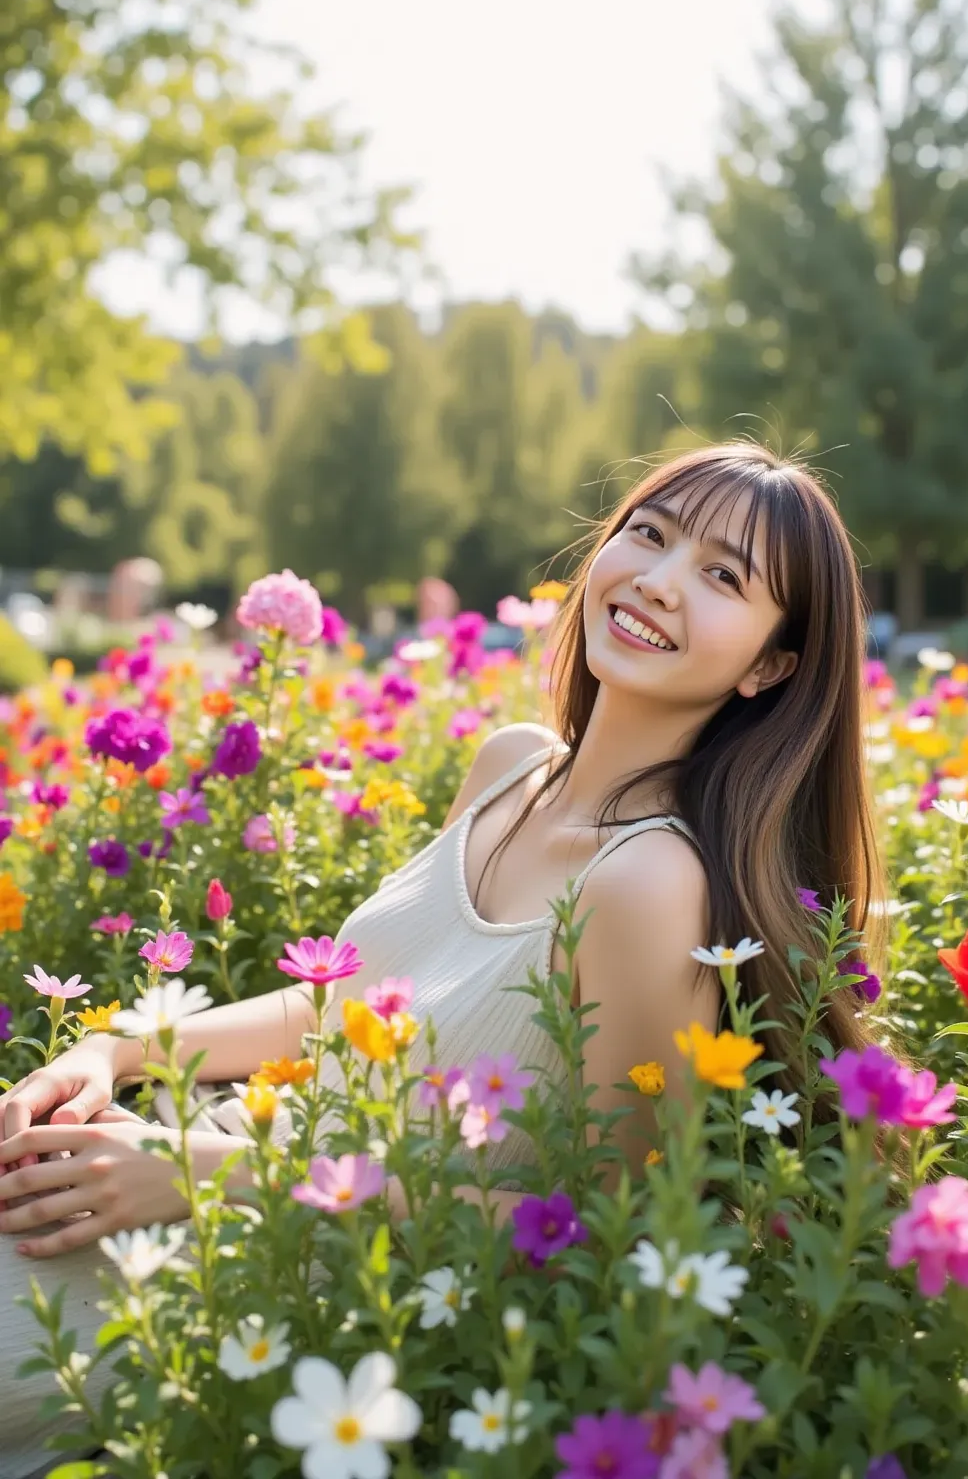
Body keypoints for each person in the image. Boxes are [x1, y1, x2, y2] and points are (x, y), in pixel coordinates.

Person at [0, 443, 886, 1476]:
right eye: (649, 534)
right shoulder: (512, 765)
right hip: (192, 1173)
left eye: (721, 576)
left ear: (769, 665)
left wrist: (210, 1177)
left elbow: (606, 1231)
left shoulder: (650, 885)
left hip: (284, 1293)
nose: (656, 578)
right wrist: (120, 1051)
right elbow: (356, 1007)